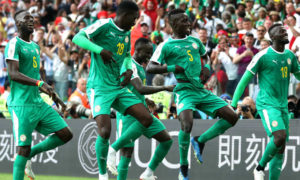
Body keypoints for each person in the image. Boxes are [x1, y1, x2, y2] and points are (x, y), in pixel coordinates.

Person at [72, 2, 167, 180]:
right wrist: (99, 50)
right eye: (134, 18)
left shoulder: (126, 33)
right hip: (99, 87)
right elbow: (77, 37)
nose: (135, 22)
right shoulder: (104, 25)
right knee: (105, 130)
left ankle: (112, 150)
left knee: (146, 117)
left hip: (118, 87)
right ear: (124, 14)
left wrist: (128, 69)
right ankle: (102, 175)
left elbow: (125, 57)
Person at [146, 9, 238, 180]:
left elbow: (207, 59)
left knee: (232, 117)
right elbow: (150, 67)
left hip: (200, 89)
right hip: (184, 90)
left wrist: (207, 69)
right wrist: (173, 68)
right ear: (173, 24)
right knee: (187, 124)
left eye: (188, 20)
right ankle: (183, 167)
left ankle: (200, 140)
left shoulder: (195, 41)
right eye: (184, 21)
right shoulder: (165, 45)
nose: (188, 24)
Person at [5, 10, 73, 180]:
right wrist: (39, 83)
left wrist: (53, 94)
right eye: (25, 18)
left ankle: (31, 154)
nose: (30, 20)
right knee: (22, 148)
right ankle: (25, 158)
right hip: (21, 105)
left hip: (38, 102)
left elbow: (38, 75)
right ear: (17, 23)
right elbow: (13, 74)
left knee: (66, 134)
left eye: (32, 18)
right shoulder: (14, 44)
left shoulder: (35, 47)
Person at [231, 24, 300, 180]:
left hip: (282, 105)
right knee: (279, 137)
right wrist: (234, 103)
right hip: (267, 105)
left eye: (285, 30)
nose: (285, 32)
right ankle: (259, 168)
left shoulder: (290, 55)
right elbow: (243, 81)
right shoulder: (262, 56)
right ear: (273, 37)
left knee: (280, 148)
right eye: (281, 31)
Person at [107, 38, 173, 180]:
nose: (150, 55)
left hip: (142, 112)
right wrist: (165, 87)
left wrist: (146, 100)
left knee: (167, 140)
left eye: (151, 52)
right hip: (128, 113)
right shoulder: (129, 64)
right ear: (137, 50)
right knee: (126, 153)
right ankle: (112, 150)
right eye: (147, 52)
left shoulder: (139, 66)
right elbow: (140, 88)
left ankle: (148, 173)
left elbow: (135, 90)